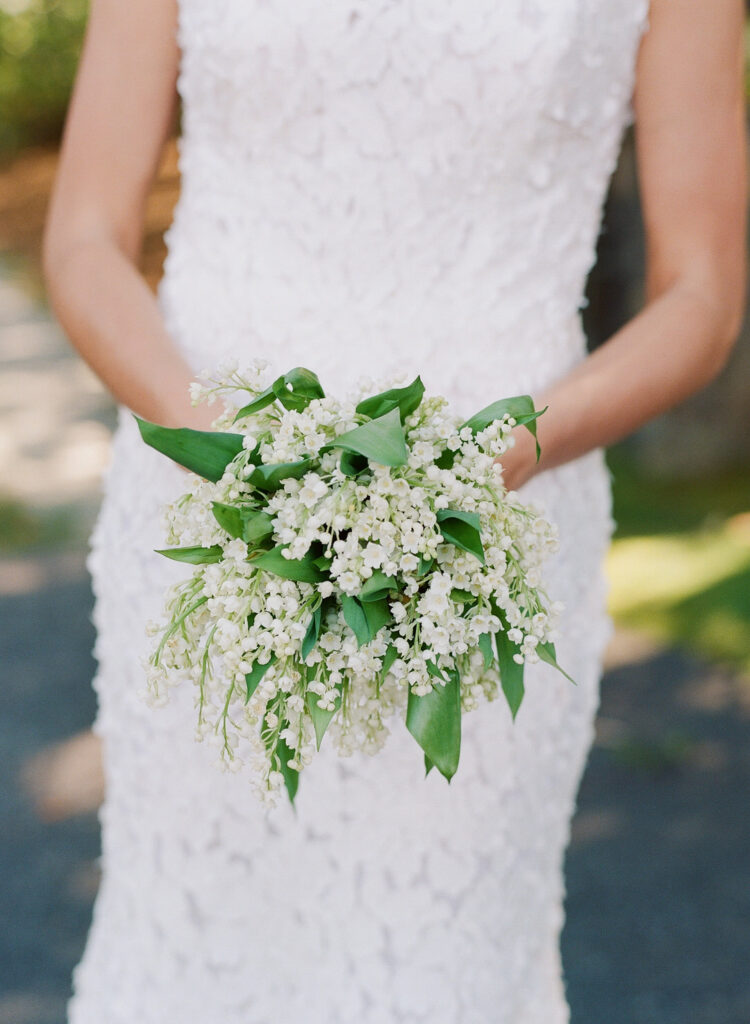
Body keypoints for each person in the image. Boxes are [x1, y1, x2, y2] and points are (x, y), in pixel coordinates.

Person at [42, 1, 746, 1022]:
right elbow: (82, 236)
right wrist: (239, 454)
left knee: (441, 962)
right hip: (207, 508)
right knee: (192, 944)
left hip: (493, 526)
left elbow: (704, 293)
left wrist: (485, 462)